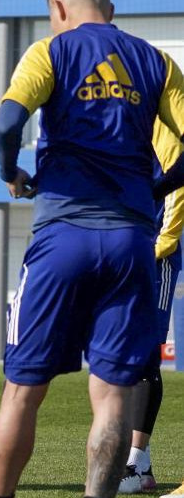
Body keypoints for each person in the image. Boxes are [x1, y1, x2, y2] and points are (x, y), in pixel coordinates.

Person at [0, 0, 184, 498]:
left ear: (57, 8)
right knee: (114, 395)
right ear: (110, 8)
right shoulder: (157, 62)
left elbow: (7, 123)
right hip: (131, 241)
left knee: (22, 392)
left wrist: (12, 174)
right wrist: (155, 191)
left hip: (62, 235)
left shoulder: (50, 51)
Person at [118, 122, 184, 494]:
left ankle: (135, 461)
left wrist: (162, 244)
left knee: (143, 354)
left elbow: (178, 186)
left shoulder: (161, 125)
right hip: (124, 251)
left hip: (155, 256)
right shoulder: (120, 121)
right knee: (122, 356)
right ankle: (139, 465)